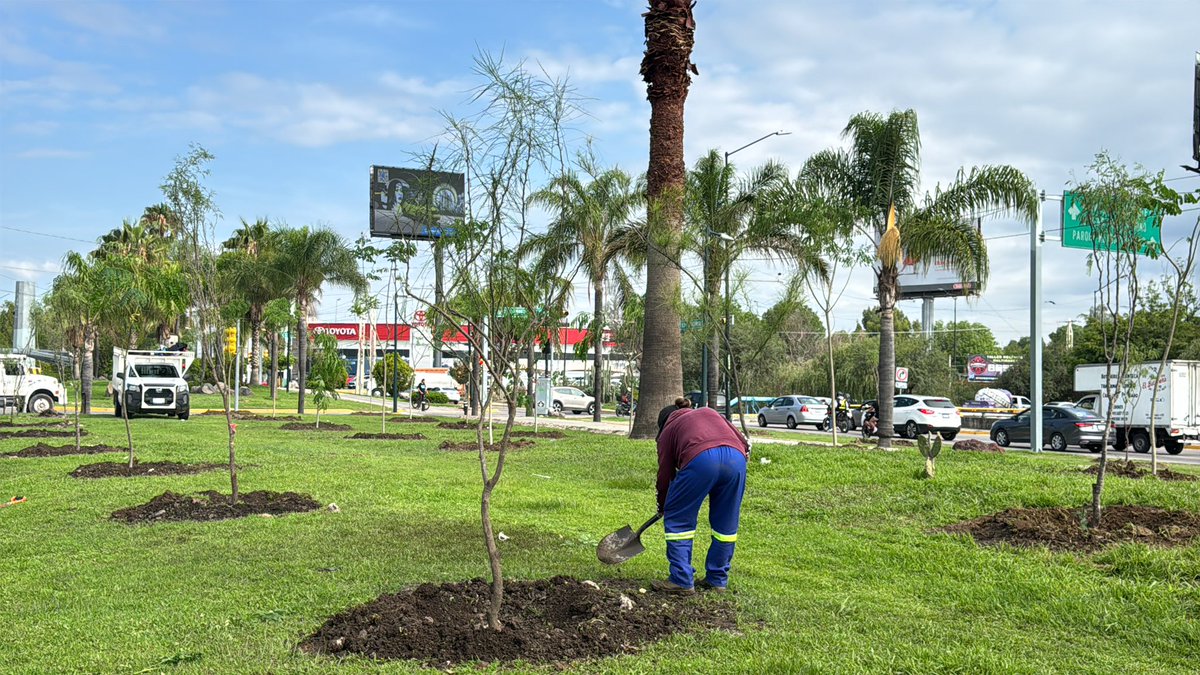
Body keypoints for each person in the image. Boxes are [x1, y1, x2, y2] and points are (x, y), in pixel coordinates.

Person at [652, 399, 749, 593]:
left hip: (701, 459)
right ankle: (717, 580)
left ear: (663, 423)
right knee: (726, 525)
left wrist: (664, 505)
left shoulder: (669, 430)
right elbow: (744, 444)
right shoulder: (709, 412)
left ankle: (681, 579)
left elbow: (665, 475)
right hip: (736, 460)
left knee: (679, 520)